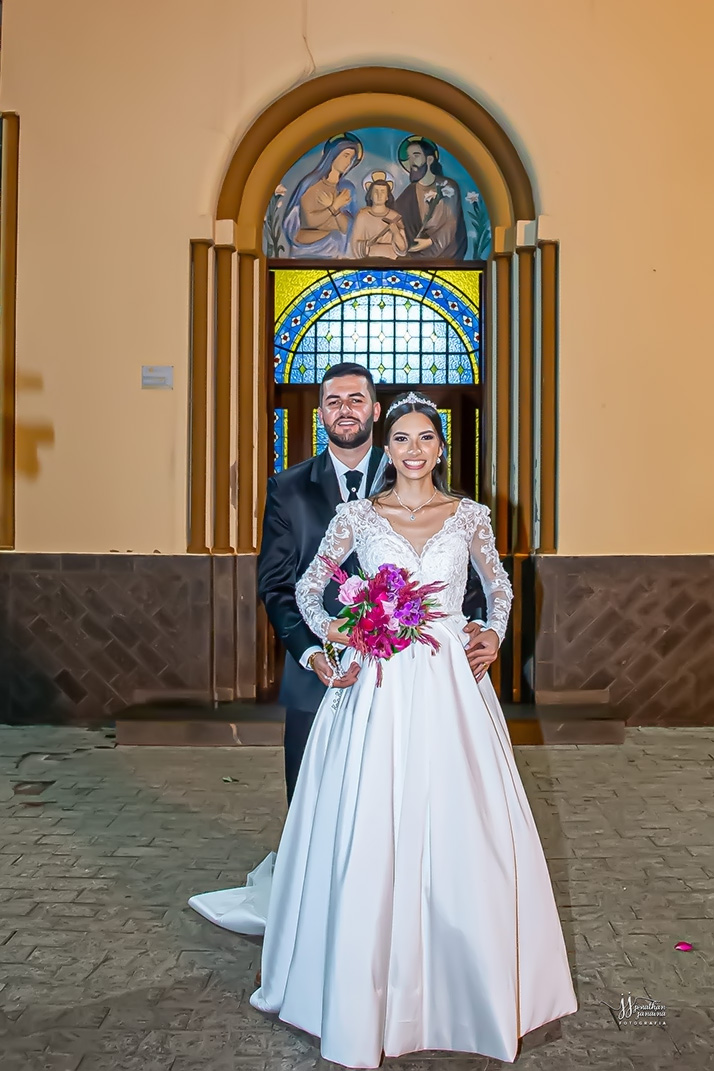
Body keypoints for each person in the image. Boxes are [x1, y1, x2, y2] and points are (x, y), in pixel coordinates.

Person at [189, 392, 578, 1067]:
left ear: (440, 446)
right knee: (374, 819)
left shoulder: (470, 516)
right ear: (386, 446)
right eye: (401, 438)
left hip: (452, 684)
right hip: (379, 684)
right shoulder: (359, 517)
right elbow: (308, 587)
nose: (414, 449)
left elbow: (500, 586)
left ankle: (467, 983)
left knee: (462, 822)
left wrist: (492, 631)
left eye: (425, 437)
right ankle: (363, 984)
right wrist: (339, 632)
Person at [256, 363, 488, 804]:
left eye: (356, 400)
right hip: (320, 673)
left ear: (375, 411)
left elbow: (462, 572)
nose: (345, 409)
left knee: (415, 799)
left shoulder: (414, 465)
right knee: (315, 803)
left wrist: (476, 626)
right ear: (321, 414)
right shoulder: (287, 489)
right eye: (333, 401)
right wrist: (311, 650)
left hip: (416, 677)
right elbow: (276, 584)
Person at [282, 133, 362, 258]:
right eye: (345, 156)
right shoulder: (312, 184)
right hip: (309, 248)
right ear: (333, 154)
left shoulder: (347, 188)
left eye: (351, 158)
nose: (348, 162)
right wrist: (334, 207)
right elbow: (311, 222)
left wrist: (334, 210)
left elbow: (348, 228)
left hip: (337, 248)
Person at [394, 135, 468, 259]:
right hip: (416, 253)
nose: (412, 162)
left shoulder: (448, 187)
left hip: (446, 253)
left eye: (416, 155)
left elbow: (451, 223)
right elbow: (395, 217)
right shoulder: (409, 193)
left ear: (429, 159)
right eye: (409, 157)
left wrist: (430, 241)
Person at [349, 171, 408, 259]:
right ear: (370, 196)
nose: (379, 195)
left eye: (383, 192)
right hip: (369, 261)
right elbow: (355, 246)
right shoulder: (362, 216)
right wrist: (368, 245)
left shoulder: (395, 217)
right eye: (376, 191)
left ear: (387, 197)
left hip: (391, 262)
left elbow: (402, 249)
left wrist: (395, 232)